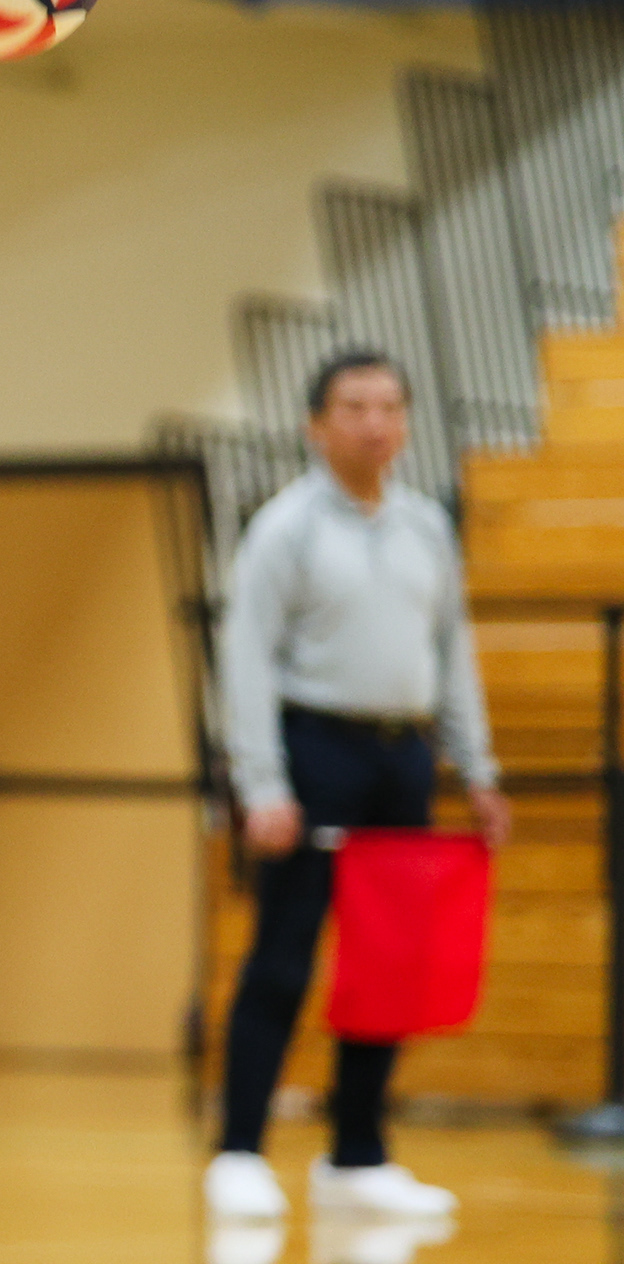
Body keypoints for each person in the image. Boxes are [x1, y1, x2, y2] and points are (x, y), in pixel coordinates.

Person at [205, 350, 511, 1222]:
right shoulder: (286, 528)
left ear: (406, 421)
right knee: (284, 955)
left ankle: (358, 1154)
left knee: (390, 963)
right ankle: (238, 1151)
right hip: (313, 753)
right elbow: (248, 662)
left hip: (401, 758)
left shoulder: (425, 528)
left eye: (388, 406)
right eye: (353, 406)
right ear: (317, 424)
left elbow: (452, 654)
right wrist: (263, 783)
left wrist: (477, 769)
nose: (374, 422)